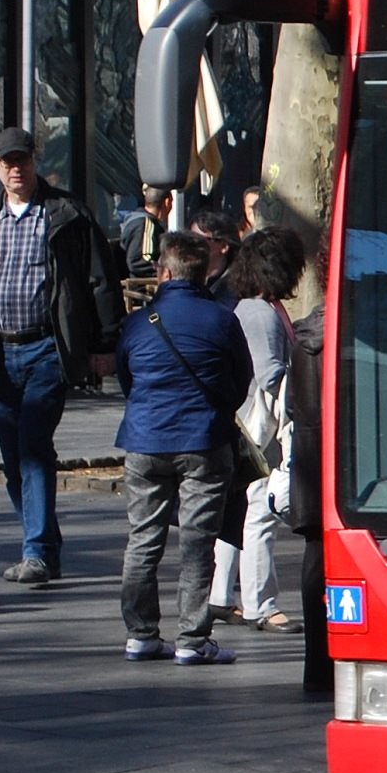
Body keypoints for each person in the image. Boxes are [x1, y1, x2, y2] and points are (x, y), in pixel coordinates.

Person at [0, 127, 122, 585]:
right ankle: (44, 546)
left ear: (35, 162)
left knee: (34, 448)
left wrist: (105, 344)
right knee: (15, 457)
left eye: (24, 160)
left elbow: (100, 280)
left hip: (46, 350)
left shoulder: (66, 214)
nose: (17, 169)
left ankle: (36, 550)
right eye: (8, 161)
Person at [116, 230, 253, 663]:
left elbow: (126, 379)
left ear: (164, 272)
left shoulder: (138, 322)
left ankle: (141, 634)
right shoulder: (221, 319)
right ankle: (193, 640)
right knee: (198, 542)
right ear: (203, 272)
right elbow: (240, 381)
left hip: (145, 439)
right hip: (203, 440)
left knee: (143, 540)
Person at [208, 226, 303, 633]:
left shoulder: (248, 307)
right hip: (262, 428)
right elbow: (272, 378)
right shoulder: (264, 314)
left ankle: (219, 595)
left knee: (238, 511)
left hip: (243, 422)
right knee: (260, 511)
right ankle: (260, 603)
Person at [120, 186, 172, 275]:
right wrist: (168, 270)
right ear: (167, 202)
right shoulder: (146, 225)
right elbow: (140, 261)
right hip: (141, 286)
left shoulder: (137, 220)